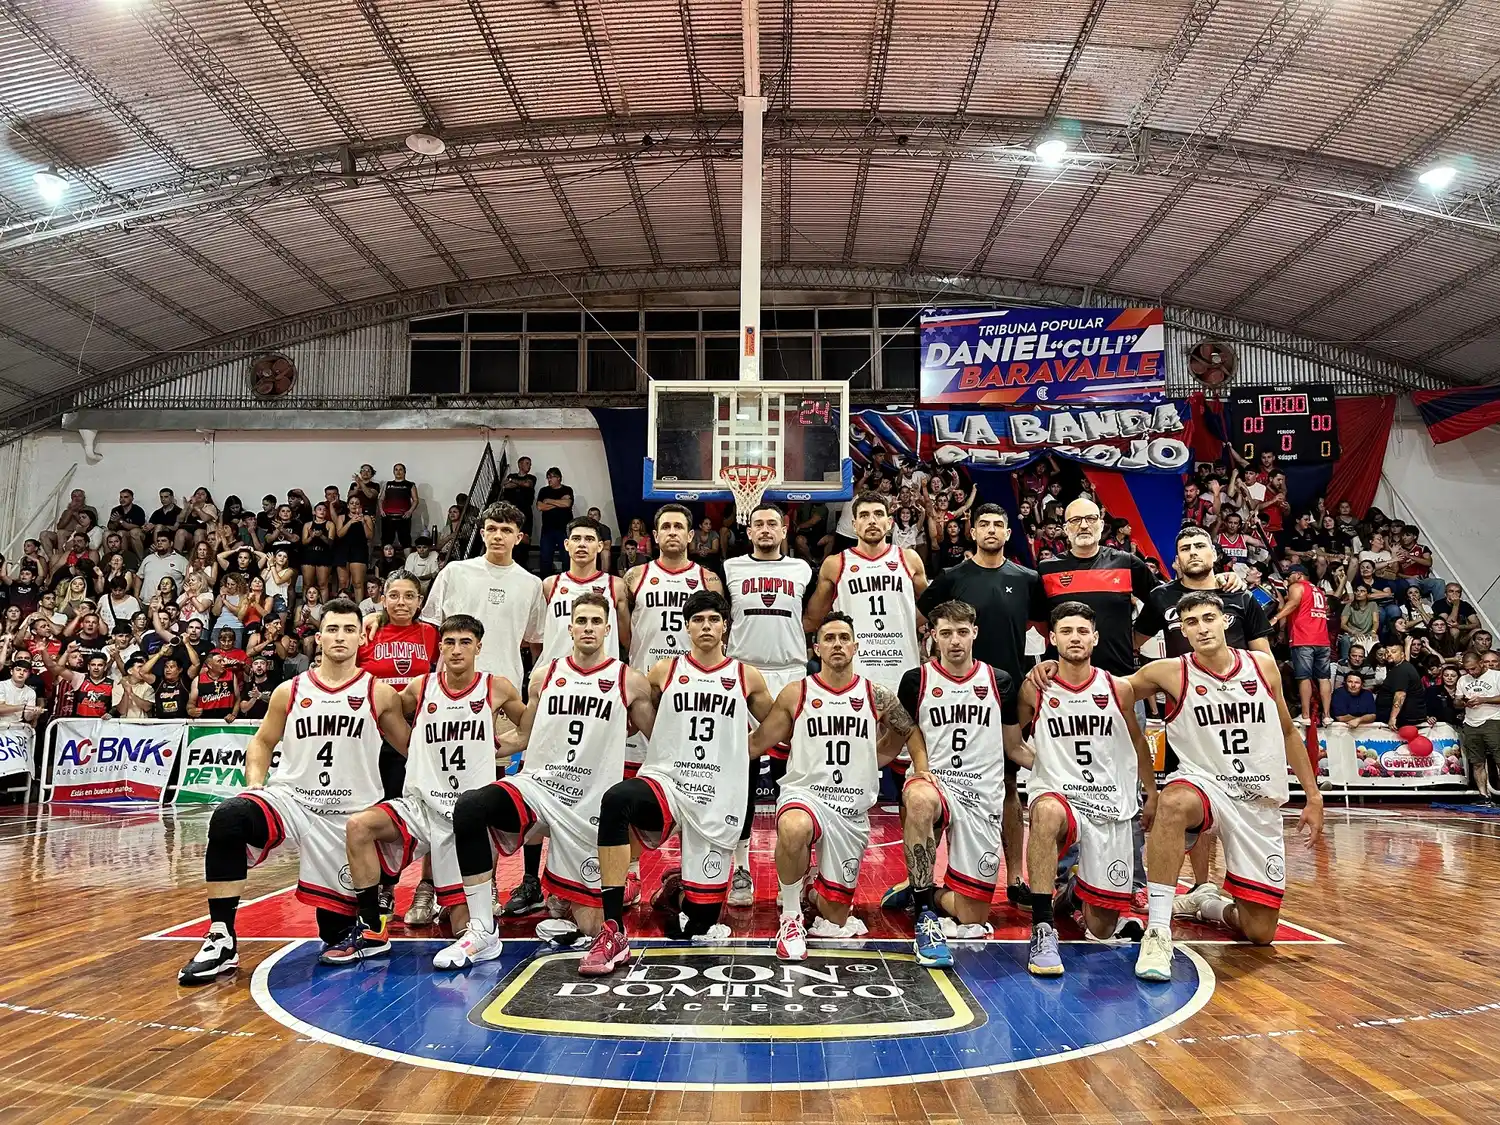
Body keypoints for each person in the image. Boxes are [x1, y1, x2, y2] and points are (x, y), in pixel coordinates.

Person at [176, 599, 412, 985]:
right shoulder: (291, 690)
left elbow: (411, 751)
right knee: (229, 817)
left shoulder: (379, 693)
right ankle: (221, 938)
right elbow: (263, 741)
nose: (340, 637)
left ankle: (358, 921)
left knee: (335, 935)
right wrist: (255, 783)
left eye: (349, 630)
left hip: (347, 819)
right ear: (318, 638)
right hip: (293, 801)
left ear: (360, 639)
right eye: (332, 629)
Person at [432, 592, 656, 969]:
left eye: (595, 622)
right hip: (538, 787)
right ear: (569, 628)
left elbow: (658, 740)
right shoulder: (544, 675)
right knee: (470, 807)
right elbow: (524, 735)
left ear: (607, 628)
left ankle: (569, 904)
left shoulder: (629, 682)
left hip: (589, 806)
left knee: (593, 927)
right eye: (580, 621)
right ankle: (483, 930)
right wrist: (484, 741)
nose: (587, 628)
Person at [1128, 591, 1324, 982]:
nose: (1200, 628)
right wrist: (1054, 673)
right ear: (1181, 630)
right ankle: (1158, 930)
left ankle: (1208, 905)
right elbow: (1114, 689)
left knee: (1260, 932)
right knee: (1173, 801)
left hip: (1257, 802)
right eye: (1190, 623)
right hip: (1207, 787)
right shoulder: (1170, 671)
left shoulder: (1263, 665)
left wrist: (1313, 794)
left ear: (1225, 621)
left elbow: (1286, 729)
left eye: (1207, 618)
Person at [583, 591, 775, 975]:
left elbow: (776, 723)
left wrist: (744, 751)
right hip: (668, 781)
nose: (706, 626)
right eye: (699, 620)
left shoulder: (745, 676)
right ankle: (612, 929)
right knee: (617, 799)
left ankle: (679, 887)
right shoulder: (662, 672)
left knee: (699, 924)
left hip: (716, 793)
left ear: (725, 626)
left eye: (714, 620)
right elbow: (638, 710)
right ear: (686, 627)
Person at [328, 615, 524, 963]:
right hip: (420, 805)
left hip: (465, 819)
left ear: (479, 647)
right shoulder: (421, 687)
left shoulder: (498, 687)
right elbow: (385, 710)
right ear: (439, 648)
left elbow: (531, 726)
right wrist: (412, 749)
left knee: (466, 929)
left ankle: (458, 905)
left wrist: (500, 746)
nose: (456, 650)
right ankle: (373, 925)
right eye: (449, 642)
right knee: (359, 826)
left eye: (465, 642)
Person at [749, 613, 915, 961]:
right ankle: (791, 916)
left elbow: (906, 731)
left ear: (856, 646)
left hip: (850, 809)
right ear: (817, 647)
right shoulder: (797, 693)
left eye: (844, 638)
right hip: (805, 795)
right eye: (829, 639)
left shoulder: (876, 694)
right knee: (793, 827)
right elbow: (757, 743)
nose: (837, 644)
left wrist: (880, 759)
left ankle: (811, 889)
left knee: (835, 915)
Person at [1010, 602, 1155, 975]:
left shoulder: (1118, 688)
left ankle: (1073, 889)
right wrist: (1039, 766)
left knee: (1101, 927)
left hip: (1106, 801)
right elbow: (1013, 740)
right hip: (1060, 795)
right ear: (1053, 638)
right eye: (1067, 631)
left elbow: (1138, 742)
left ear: (1095, 637)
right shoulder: (1034, 687)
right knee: (1044, 812)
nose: (1075, 637)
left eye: (1082, 631)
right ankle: (1043, 926)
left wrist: (1150, 792)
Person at [888, 599, 1020, 967]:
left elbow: (1015, 746)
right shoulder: (916, 680)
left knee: (972, 916)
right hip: (937, 782)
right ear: (933, 636)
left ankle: (923, 891)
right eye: (946, 633)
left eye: (962, 632)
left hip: (982, 793)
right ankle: (925, 912)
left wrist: (1056, 769)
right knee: (918, 800)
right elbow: (898, 740)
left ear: (975, 633)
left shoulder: (1001, 680)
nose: (955, 641)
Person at [619, 504, 723, 898]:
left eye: (680, 526)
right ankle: (629, 873)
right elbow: (627, 634)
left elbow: (717, 632)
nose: (674, 532)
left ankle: (685, 871)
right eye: (666, 527)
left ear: (691, 535)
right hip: (646, 691)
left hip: (692, 698)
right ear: (655, 536)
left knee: (693, 784)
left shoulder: (707, 578)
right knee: (632, 783)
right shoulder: (635, 576)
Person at [724, 502, 815, 907]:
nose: (764, 529)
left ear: (784, 530)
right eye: (757, 523)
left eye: (771, 524)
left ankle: (790, 873)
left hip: (791, 672)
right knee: (741, 769)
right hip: (743, 674)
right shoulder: (729, 569)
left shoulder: (803, 570)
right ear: (749, 530)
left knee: (791, 773)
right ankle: (741, 865)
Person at [358, 571, 444, 919]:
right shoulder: (368, 633)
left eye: (409, 596)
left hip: (419, 735)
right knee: (383, 812)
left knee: (430, 809)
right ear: (383, 599)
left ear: (420, 601)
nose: (401, 603)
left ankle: (428, 889)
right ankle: (385, 887)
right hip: (374, 737)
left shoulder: (431, 634)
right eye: (394, 595)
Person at [805, 492, 927, 694]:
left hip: (903, 667)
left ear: (889, 522)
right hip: (854, 672)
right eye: (864, 515)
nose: (871, 521)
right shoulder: (835, 564)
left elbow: (933, 607)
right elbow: (814, 618)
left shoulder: (909, 558)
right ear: (854, 525)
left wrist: (906, 620)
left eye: (878, 514)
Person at [420, 503, 544, 692]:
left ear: (519, 538)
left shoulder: (532, 584)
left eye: (506, 530)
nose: (498, 536)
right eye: (492, 529)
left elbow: (535, 638)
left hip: (506, 684)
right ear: (482, 534)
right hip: (453, 683)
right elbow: (429, 627)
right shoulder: (454, 572)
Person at [539, 518, 630, 663]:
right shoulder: (550, 585)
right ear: (567, 545)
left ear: (600, 546)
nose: (582, 544)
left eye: (589, 539)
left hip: (602, 676)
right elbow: (537, 638)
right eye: (576, 539)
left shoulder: (616, 586)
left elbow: (627, 639)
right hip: (557, 676)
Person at [1271, 568, 1333, 721]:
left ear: (1298, 575)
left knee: (1303, 677)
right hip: (1322, 639)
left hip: (1304, 638)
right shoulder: (1318, 591)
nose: (1288, 579)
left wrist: (1275, 618)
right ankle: (1327, 715)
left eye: (1290, 576)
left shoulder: (1297, 586)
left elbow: (1292, 604)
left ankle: (1305, 715)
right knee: (1324, 678)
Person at [1376, 641, 1427, 729]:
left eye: (1394, 652)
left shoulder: (1402, 670)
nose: (1389, 654)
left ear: (1402, 655)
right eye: (1387, 652)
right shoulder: (1398, 667)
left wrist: (1393, 718)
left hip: (1405, 720)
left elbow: (1400, 695)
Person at [534, 467, 575, 575]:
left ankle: (567, 580)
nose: (549, 480)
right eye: (548, 478)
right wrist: (559, 502)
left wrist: (549, 501)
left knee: (566, 557)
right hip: (548, 529)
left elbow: (567, 504)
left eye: (551, 477)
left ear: (559, 478)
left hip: (564, 529)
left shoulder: (567, 490)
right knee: (545, 557)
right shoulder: (544, 491)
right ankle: (546, 581)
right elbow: (540, 507)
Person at [501, 456, 538, 568]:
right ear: (520, 464)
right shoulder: (511, 476)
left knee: (525, 540)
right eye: (527, 463)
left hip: (525, 513)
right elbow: (505, 485)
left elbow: (528, 484)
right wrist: (518, 483)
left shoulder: (531, 477)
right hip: (511, 514)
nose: (529, 466)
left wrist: (514, 483)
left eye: (530, 464)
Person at [379, 463, 419, 549]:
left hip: (403, 518)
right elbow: (381, 499)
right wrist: (381, 510)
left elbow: (415, 500)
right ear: (393, 472)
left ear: (404, 471)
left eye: (400, 469)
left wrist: (410, 511)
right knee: (386, 541)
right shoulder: (387, 484)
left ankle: (408, 562)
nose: (398, 472)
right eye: (396, 469)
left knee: (406, 541)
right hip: (388, 517)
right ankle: (384, 561)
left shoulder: (410, 485)